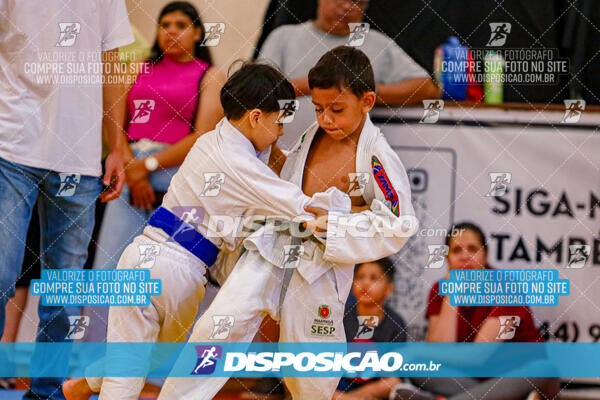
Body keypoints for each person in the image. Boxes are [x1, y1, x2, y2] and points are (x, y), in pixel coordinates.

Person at [63, 61, 350, 400]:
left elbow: (265, 165)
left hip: (142, 254)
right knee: (132, 375)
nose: (283, 130)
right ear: (256, 117)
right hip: (177, 273)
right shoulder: (239, 163)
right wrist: (353, 214)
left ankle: (80, 386)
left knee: (139, 358)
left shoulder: (213, 140)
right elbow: (298, 206)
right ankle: (86, 385)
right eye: (280, 122)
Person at [157, 46, 417, 400]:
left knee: (310, 374)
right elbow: (286, 180)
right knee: (216, 330)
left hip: (320, 270)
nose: (326, 118)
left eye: (337, 110)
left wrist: (336, 227)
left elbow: (398, 225)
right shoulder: (313, 134)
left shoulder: (377, 156)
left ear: (367, 101)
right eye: (320, 108)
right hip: (271, 249)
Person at [0, 1, 134, 399]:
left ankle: (46, 392)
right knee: (1, 278)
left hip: (79, 158)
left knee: (64, 293)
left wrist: (116, 145)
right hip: (11, 147)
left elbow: (112, 62)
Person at [88, 0, 225, 342]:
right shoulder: (137, 67)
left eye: (181, 25)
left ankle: (161, 374)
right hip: (129, 170)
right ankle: (92, 365)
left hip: (178, 177)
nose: (171, 31)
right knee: (111, 266)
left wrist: (145, 168)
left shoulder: (211, 75)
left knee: (172, 274)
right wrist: (125, 160)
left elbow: (204, 135)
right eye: (165, 24)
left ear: (197, 32)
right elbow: (113, 118)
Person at [391, 222, 560, 400]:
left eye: (472, 249)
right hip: (475, 385)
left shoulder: (505, 286)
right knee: (419, 367)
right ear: (447, 259)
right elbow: (439, 350)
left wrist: (415, 349)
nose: (465, 256)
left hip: (518, 380)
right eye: (456, 251)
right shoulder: (439, 290)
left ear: (485, 256)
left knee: (544, 370)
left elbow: (478, 355)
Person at [258, 0, 439, 147]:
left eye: (356, 2)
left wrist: (363, 92)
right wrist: (306, 87)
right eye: (340, 0)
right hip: (284, 156)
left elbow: (428, 89)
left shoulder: (378, 44)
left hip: (350, 164)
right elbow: (257, 93)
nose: (346, 7)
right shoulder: (284, 37)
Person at [334, 258, 406, 400]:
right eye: (360, 277)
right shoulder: (340, 317)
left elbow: (392, 375)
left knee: (393, 383)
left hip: (372, 386)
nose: (365, 283)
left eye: (374, 278)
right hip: (340, 383)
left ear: (389, 288)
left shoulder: (395, 324)